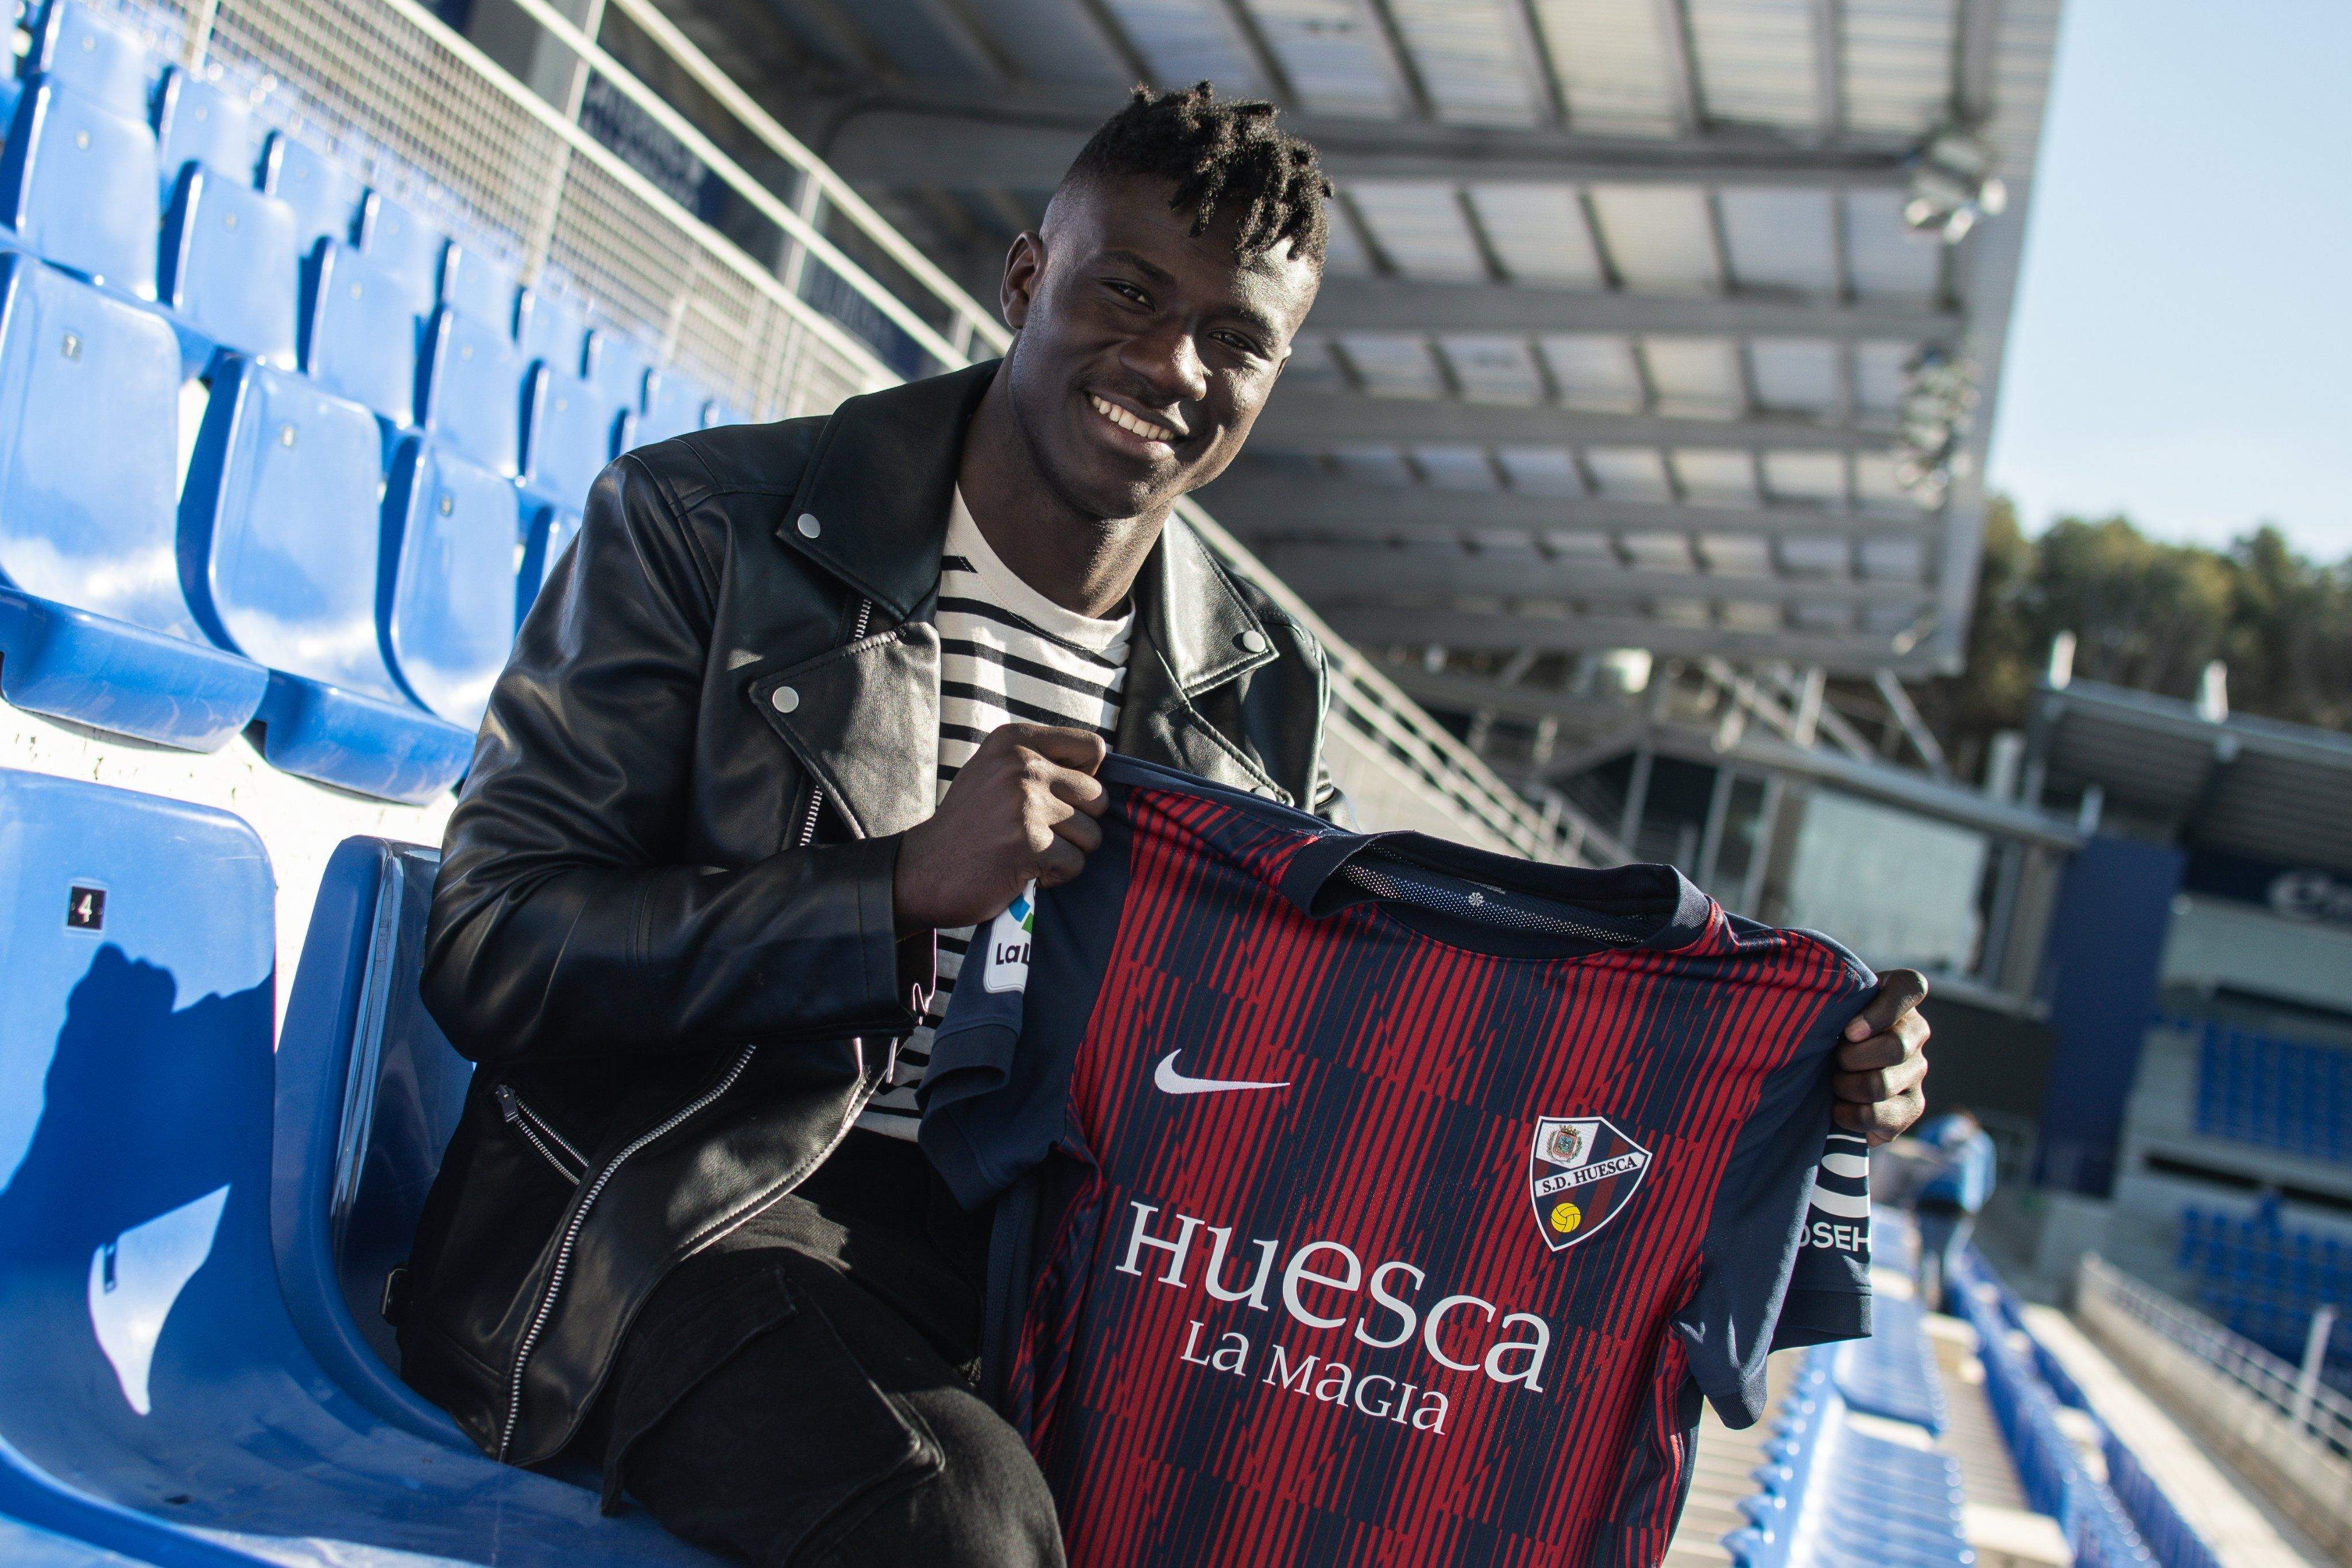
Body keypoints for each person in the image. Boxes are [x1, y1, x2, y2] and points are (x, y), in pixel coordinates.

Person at [394, 83, 1935, 1567]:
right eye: (1129, 292)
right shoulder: (703, 525)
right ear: (1026, 275)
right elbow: (494, 944)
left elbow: (1347, 1033)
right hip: (683, 1207)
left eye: (1234, 338)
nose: (1172, 360)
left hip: (1047, 1260)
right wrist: (898, 889)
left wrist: (1789, 1083)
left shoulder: (1252, 677)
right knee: (962, 1531)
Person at [1910, 1109, 1995, 1311]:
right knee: (1948, 1258)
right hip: (1961, 1206)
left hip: (1930, 1198)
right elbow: (1987, 1183)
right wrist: (1974, 1206)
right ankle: (1946, 1308)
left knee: (1926, 1255)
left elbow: (1918, 1162)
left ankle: (1920, 1305)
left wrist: (1913, 1195)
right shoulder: (1982, 1142)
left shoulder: (1934, 1128)